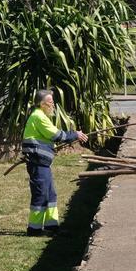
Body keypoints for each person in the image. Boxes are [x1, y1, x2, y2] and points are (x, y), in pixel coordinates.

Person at [21, 90, 87, 236]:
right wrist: (74, 134)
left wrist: (72, 135)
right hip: (37, 163)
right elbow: (55, 135)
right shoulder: (38, 116)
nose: (53, 105)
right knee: (41, 194)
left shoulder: (41, 115)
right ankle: (34, 229)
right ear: (42, 103)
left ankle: (51, 226)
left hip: (42, 163)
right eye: (50, 102)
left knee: (50, 194)